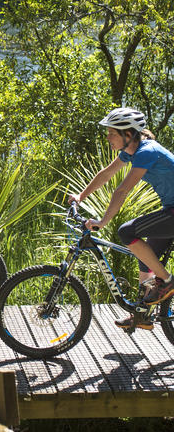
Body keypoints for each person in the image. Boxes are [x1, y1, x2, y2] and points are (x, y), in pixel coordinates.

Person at [69, 107, 174, 331]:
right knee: (145, 254)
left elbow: (122, 190)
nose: (108, 138)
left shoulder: (147, 151)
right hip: (171, 208)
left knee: (127, 232)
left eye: (112, 133)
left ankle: (167, 281)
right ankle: (142, 313)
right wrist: (81, 196)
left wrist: (103, 222)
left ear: (128, 134)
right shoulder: (131, 152)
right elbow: (106, 174)